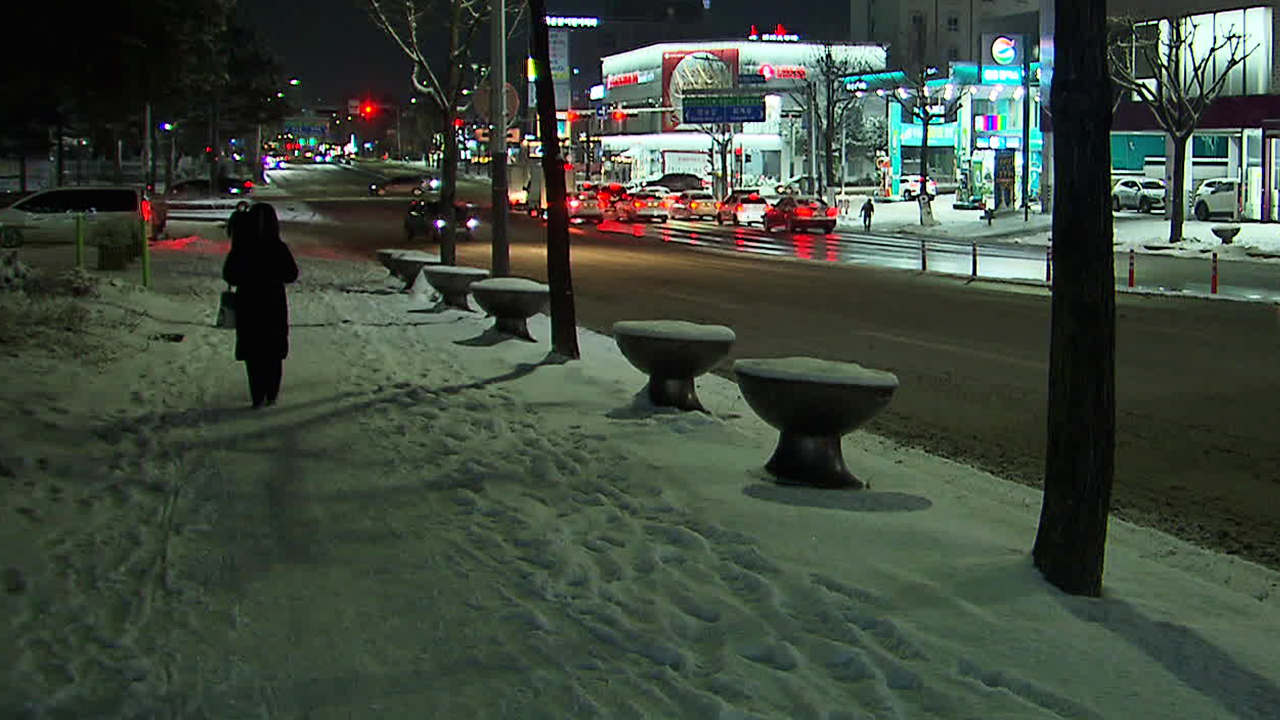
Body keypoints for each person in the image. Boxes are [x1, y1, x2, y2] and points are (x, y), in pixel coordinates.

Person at [222, 203, 299, 408]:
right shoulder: (277, 247)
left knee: (253, 350)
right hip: (273, 302)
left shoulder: (242, 247)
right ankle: (271, 392)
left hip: (248, 302)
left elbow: (230, 275)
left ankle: (257, 393)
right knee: (273, 350)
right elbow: (291, 274)